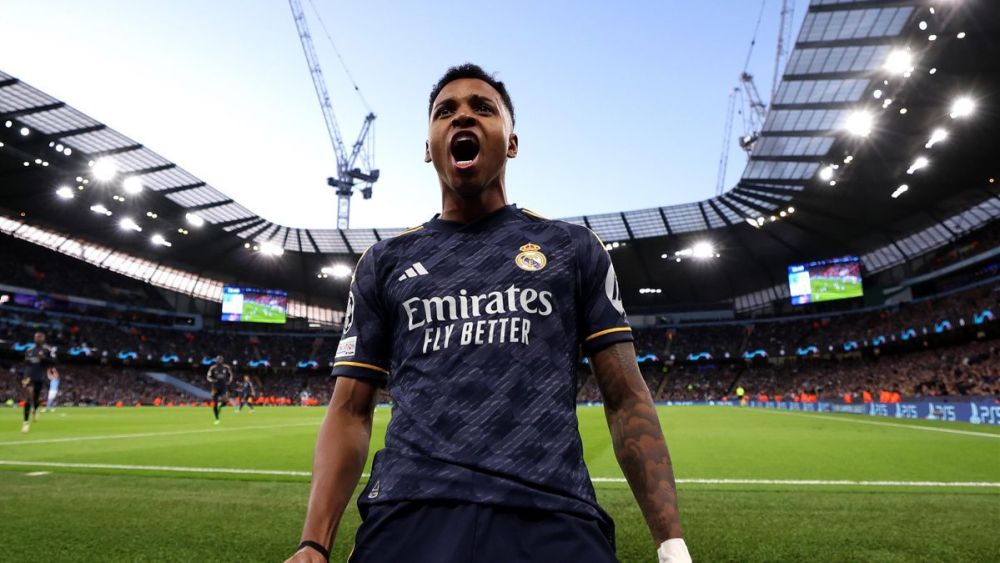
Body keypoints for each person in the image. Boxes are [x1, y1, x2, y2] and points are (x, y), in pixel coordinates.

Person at [287, 64, 689, 563]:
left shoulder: (572, 248)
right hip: (409, 511)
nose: (463, 117)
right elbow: (349, 410)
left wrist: (672, 546)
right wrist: (313, 542)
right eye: (445, 111)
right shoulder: (383, 262)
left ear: (512, 143)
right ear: (428, 147)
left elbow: (626, 398)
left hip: (552, 512)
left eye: (483, 108)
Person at [21, 331, 56, 432]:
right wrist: (24, 376)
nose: (38, 339)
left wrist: (44, 358)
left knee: (36, 397)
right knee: (28, 397)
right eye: (36, 337)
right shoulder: (29, 350)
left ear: (43, 339)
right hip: (28, 377)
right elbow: (26, 364)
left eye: (40, 337)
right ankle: (25, 423)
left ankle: (35, 410)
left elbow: (54, 362)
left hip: (39, 377)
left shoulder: (48, 350)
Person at [206, 356, 233, 425]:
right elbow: (208, 377)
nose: (219, 361)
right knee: (214, 403)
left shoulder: (226, 367)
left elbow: (231, 375)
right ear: (216, 360)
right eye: (218, 360)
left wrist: (229, 381)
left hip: (223, 387)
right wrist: (212, 380)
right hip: (215, 387)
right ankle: (217, 419)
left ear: (222, 360)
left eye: (220, 359)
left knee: (226, 401)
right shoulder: (213, 368)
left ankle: (220, 405)